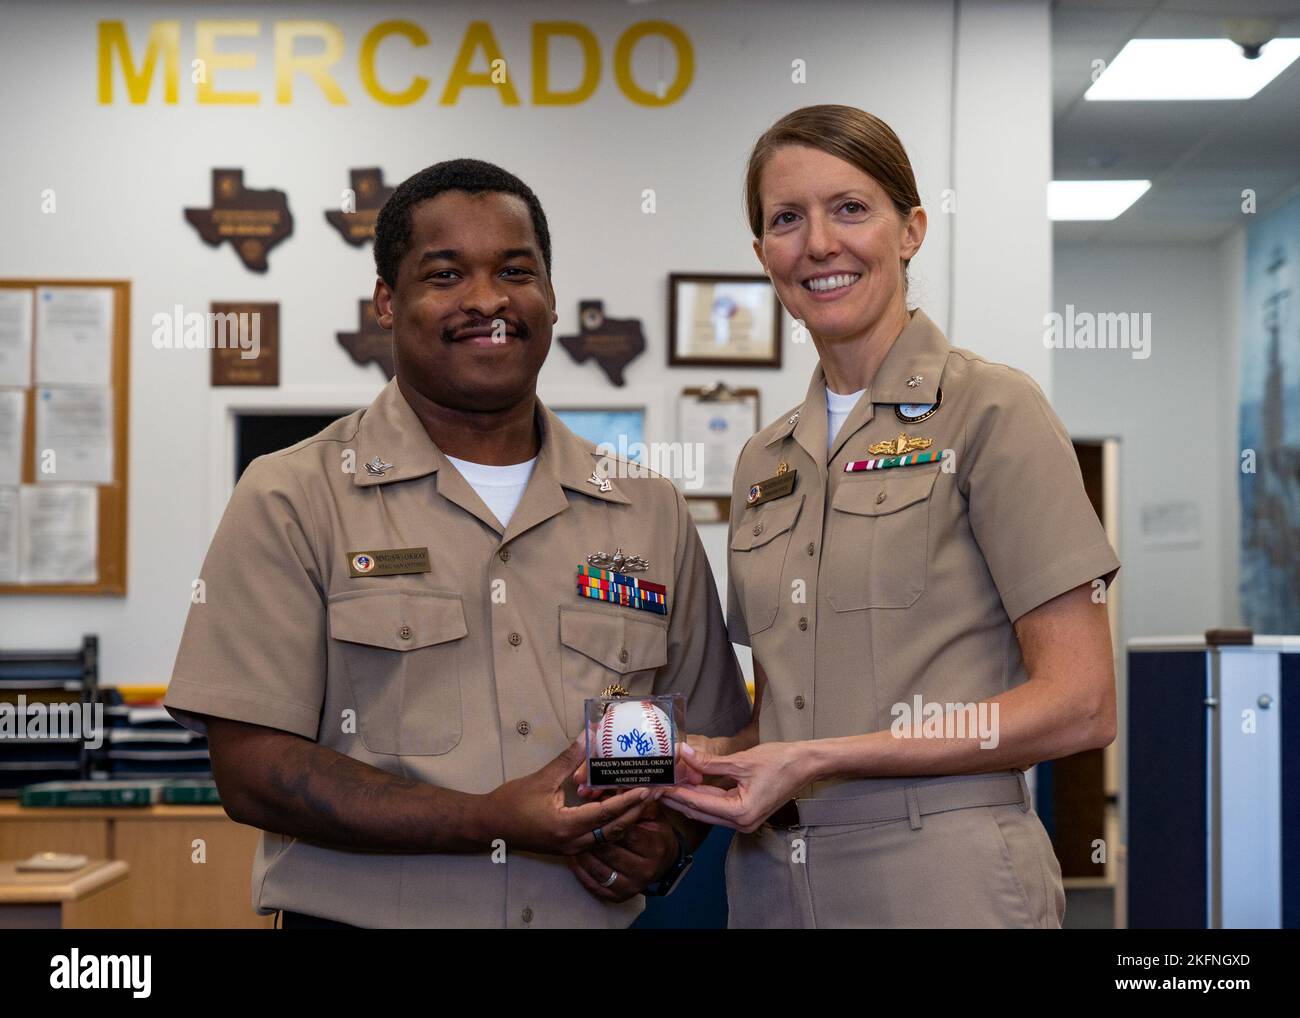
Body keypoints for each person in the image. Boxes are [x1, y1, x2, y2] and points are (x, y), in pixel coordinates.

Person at [164, 158, 751, 929]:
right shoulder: (292, 497)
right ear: (386, 301)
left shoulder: (649, 511)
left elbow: (709, 739)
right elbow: (251, 773)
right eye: (445, 275)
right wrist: (491, 820)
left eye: (515, 270)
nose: (487, 300)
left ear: (549, 294)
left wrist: (666, 843)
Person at [662, 105, 1121, 928]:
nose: (819, 244)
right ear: (764, 255)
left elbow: (1081, 702)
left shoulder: (990, 410)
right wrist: (677, 760)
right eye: (787, 220)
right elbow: (787, 708)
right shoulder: (766, 460)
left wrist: (818, 759)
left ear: (909, 230)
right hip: (770, 880)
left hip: (942, 874)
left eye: (850, 209)